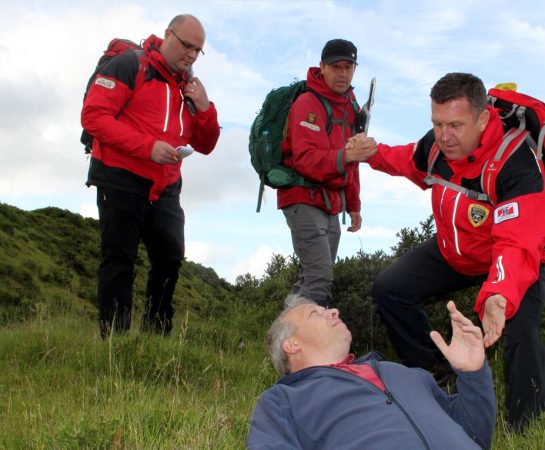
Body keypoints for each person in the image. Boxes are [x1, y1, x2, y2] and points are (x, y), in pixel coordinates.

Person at [353, 72, 545, 430]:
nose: (445, 135)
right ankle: (437, 375)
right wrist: (373, 155)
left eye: (455, 124)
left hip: (511, 257)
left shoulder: (517, 161)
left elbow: (517, 241)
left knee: (522, 329)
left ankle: (524, 423)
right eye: (437, 123)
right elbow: (408, 160)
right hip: (454, 251)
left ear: (483, 117)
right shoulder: (437, 146)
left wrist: (500, 294)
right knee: (390, 289)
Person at [81, 14, 220, 338]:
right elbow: (93, 117)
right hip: (120, 176)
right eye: (186, 45)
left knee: (170, 259)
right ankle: (114, 343)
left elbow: (207, 144)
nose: (191, 54)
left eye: (197, 50)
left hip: (167, 184)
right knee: (119, 260)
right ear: (168, 35)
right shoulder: (130, 66)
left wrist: (204, 107)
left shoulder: (188, 85)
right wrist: (147, 147)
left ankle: (157, 335)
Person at [247, 295, 496, 449]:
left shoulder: (405, 373)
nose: (334, 311)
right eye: (316, 313)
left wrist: (472, 373)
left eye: (328, 309)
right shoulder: (283, 400)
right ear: (292, 345)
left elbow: (474, 436)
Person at [277, 39, 376, 308]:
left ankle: (283, 340)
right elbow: (305, 159)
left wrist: (353, 205)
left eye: (348, 67)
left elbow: (352, 161)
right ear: (322, 67)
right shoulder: (308, 103)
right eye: (336, 67)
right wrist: (347, 156)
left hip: (331, 202)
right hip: (301, 197)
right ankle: (311, 345)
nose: (343, 73)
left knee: (310, 278)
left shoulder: (349, 107)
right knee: (320, 278)